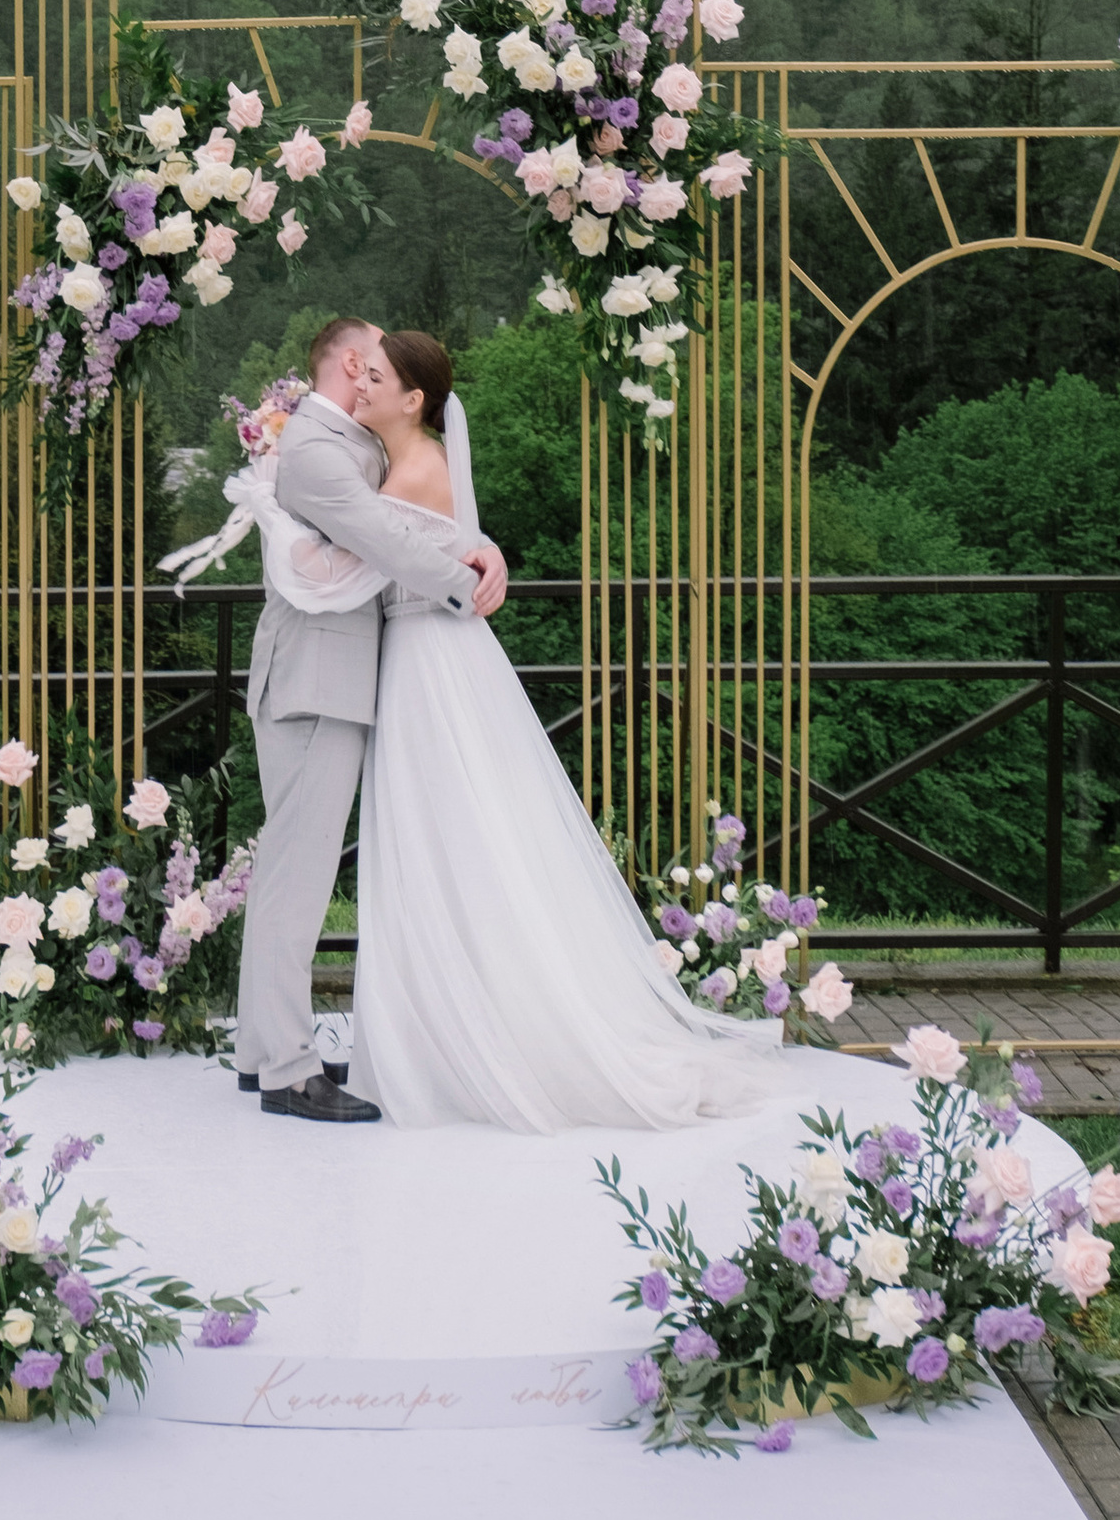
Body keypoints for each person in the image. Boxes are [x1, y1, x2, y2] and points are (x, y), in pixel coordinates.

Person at [344, 323, 795, 1133]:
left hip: (426, 668)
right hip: (438, 657)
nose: (360, 384)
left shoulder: (408, 474)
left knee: (443, 840)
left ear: (413, 400)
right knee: (456, 841)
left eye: (374, 376)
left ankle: (459, 1037)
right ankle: (442, 1025)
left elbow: (347, 549)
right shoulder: (405, 461)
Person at [232, 315, 508, 1122]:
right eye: (375, 353)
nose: (380, 365)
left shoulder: (343, 439)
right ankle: (285, 1069)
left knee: (293, 872)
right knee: (297, 877)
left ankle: (261, 1051)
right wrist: (468, 578)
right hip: (317, 684)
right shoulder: (316, 451)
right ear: (352, 362)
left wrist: (476, 545)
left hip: (335, 678)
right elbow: (382, 534)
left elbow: (417, 510)